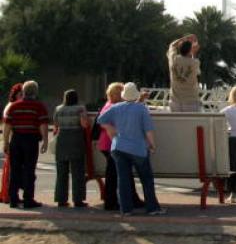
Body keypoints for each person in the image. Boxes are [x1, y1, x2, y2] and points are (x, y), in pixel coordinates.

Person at [97, 82, 165, 216]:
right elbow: (148, 130)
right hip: (138, 148)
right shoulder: (141, 109)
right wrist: (152, 145)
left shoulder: (116, 108)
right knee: (146, 178)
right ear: (136, 95)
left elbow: (100, 119)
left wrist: (110, 128)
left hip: (118, 147)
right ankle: (152, 208)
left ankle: (126, 209)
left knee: (123, 179)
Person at [96, 82, 144, 211]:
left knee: (117, 173)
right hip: (113, 144)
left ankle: (120, 200)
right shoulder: (114, 107)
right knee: (116, 174)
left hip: (107, 144)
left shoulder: (108, 105)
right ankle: (114, 201)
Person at [2, 81, 49, 208]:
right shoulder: (39, 107)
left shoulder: (14, 106)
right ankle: (28, 199)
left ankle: (13, 198)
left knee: (15, 169)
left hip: (16, 139)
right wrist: (45, 140)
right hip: (31, 140)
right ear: (35, 92)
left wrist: (5, 142)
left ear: (23, 91)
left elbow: (7, 126)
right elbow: (43, 125)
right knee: (29, 169)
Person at [52, 89, 89, 207]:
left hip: (62, 140)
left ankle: (61, 199)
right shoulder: (80, 108)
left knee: (61, 171)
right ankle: (78, 199)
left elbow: (55, 125)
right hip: (76, 139)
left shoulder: (58, 109)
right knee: (77, 171)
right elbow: (84, 124)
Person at [0, 83, 24, 204]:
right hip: (12, 141)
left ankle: (8, 194)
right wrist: (6, 143)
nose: (22, 97)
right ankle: (9, 195)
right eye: (20, 94)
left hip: (12, 141)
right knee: (12, 170)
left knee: (12, 169)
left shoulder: (12, 106)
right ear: (15, 95)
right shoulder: (12, 106)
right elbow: (7, 127)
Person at [167, 34, 201, 112]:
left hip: (174, 101)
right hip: (191, 101)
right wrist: (194, 53)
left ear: (180, 48)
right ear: (191, 50)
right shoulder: (195, 62)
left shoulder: (173, 59)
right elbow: (197, 72)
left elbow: (172, 45)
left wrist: (184, 38)